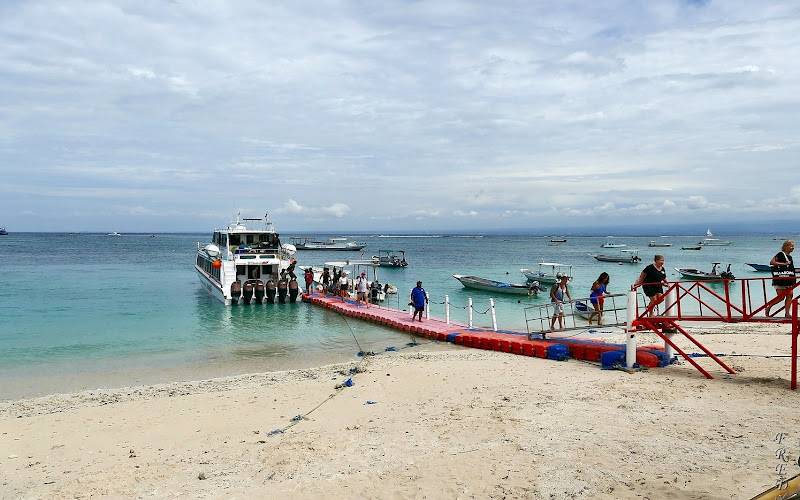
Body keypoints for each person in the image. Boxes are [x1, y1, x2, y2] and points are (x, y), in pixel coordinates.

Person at [766, 240, 796, 317]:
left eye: (793, 246)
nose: (793, 248)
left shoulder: (790, 257)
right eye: (791, 246)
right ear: (785, 246)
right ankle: (769, 307)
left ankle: (787, 313)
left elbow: (791, 268)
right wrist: (784, 264)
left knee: (790, 295)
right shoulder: (780, 254)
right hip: (780, 278)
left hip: (788, 278)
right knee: (781, 297)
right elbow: (772, 262)